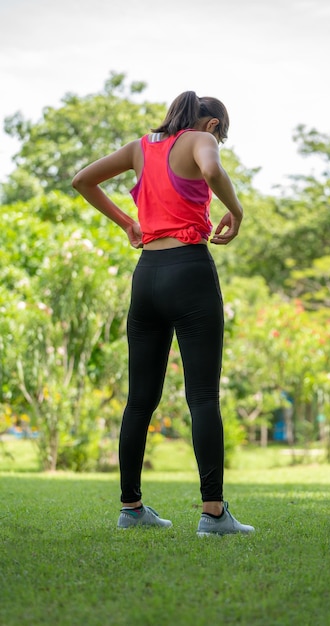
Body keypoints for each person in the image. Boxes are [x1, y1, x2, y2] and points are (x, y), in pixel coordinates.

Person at [72, 91, 254, 536]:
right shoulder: (199, 139)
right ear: (213, 125)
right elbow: (211, 169)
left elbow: (82, 180)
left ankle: (131, 509)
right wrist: (236, 209)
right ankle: (213, 514)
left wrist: (127, 222)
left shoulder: (141, 147)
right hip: (189, 271)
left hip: (147, 275)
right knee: (203, 397)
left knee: (139, 400)